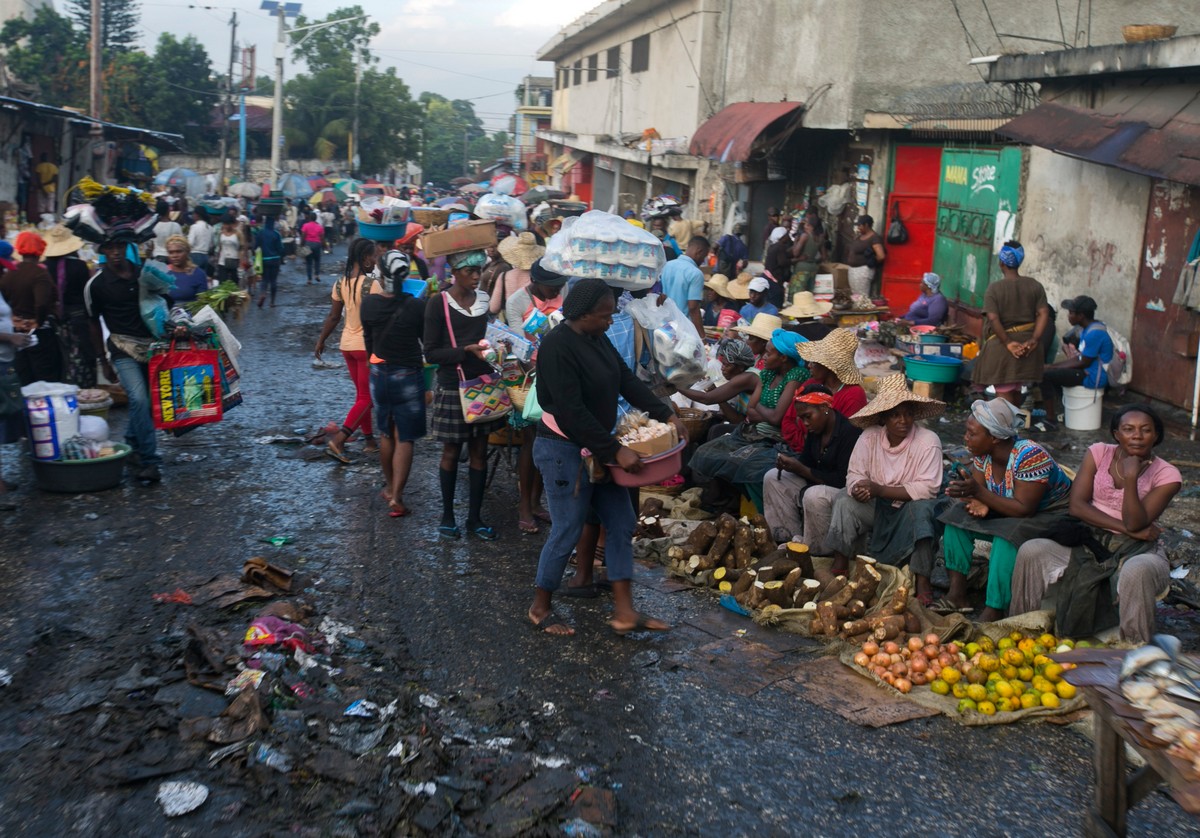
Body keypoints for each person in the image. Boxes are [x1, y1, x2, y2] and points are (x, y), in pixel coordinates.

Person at [528, 276, 685, 636]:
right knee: (568, 526)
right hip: (562, 448)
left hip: (599, 444)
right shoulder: (557, 346)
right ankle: (540, 606)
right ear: (582, 314)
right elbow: (569, 411)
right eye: (603, 316)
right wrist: (615, 449)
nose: (609, 322)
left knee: (621, 521)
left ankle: (625, 611)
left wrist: (665, 413)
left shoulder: (596, 340)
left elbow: (626, 380)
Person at [1011, 405, 1182, 643]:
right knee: (1032, 550)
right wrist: (1123, 528)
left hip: (1139, 548)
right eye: (1128, 429)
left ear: (1156, 436)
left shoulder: (1168, 475)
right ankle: (1021, 630)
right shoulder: (1099, 452)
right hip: (1090, 540)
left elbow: (1135, 522)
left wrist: (1132, 476)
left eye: (1146, 430)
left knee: (1138, 570)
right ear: (1116, 434)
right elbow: (1077, 506)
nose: (1137, 435)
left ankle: (1135, 647)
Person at [939, 398, 1072, 620]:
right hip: (1012, 510)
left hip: (1049, 514)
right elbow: (980, 490)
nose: (965, 438)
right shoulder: (983, 455)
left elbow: (1024, 510)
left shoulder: (1029, 456)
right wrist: (970, 497)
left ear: (993, 437)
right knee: (955, 519)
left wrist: (980, 495)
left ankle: (995, 607)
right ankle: (957, 594)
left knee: (1005, 536)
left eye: (972, 433)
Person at [808, 375, 944, 576]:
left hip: (909, 509)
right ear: (882, 418)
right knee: (844, 500)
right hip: (876, 507)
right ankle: (840, 564)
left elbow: (928, 488)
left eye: (908, 414)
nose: (903, 421)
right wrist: (858, 488)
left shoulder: (928, 441)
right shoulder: (869, 436)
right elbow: (855, 473)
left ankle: (922, 578)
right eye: (895, 415)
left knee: (922, 512)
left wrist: (880, 489)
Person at [79, 190, 165, 483]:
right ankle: (150, 460)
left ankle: (130, 444)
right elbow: (93, 323)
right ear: (103, 250)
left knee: (149, 403)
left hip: (153, 348)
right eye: (109, 248)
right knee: (139, 401)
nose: (115, 252)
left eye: (120, 246)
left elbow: (165, 306)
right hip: (121, 349)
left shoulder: (146, 274)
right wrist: (102, 360)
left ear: (128, 246)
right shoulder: (96, 285)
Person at [423, 249, 505, 540]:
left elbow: (494, 337)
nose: (475, 276)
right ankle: (447, 516)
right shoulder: (438, 304)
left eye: (478, 271)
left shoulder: (484, 302)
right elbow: (431, 352)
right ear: (454, 273)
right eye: (469, 271)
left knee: (480, 452)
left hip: (483, 385)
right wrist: (465, 351)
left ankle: (475, 518)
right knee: (451, 451)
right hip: (451, 386)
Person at [690, 329, 808, 512]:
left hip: (775, 439)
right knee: (708, 451)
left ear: (784, 358)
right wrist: (769, 413)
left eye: (769, 354)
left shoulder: (795, 376)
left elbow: (776, 418)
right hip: (752, 431)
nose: (764, 358)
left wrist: (765, 412)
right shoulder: (768, 375)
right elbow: (753, 412)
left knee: (743, 464)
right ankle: (726, 502)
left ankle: (751, 510)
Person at [361, 249, 427, 519]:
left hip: (378, 373)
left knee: (386, 432)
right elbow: (425, 341)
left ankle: (389, 488)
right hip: (408, 375)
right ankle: (397, 496)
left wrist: (371, 361)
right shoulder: (415, 305)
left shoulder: (369, 303)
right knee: (405, 436)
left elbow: (368, 340)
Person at [763, 385, 863, 542]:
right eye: (801, 418)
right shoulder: (816, 430)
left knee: (814, 495)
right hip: (818, 483)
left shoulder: (849, 432)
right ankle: (786, 537)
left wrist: (802, 470)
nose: (805, 423)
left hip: (843, 494)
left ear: (825, 408)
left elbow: (842, 481)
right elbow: (807, 462)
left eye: (808, 416)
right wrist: (791, 465)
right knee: (772, 477)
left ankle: (818, 549)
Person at [315, 239, 379, 463]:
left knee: (361, 397)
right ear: (364, 258)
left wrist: (321, 340)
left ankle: (370, 441)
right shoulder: (372, 285)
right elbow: (378, 319)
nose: (375, 261)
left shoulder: (340, 283)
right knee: (367, 398)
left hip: (347, 347)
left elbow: (333, 316)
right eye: (373, 257)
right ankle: (339, 440)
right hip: (365, 348)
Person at [971, 241, 1051, 406]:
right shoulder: (1035, 286)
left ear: (1001, 262)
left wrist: (1008, 342)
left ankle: (1005, 431)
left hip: (1002, 348)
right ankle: (1013, 430)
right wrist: (1034, 340)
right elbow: (1044, 313)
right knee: (1016, 390)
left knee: (1003, 395)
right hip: (1029, 348)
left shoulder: (994, 288)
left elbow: (993, 318)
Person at [781, 328, 868, 453]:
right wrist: (807, 445)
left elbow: (844, 440)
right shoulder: (811, 384)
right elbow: (788, 422)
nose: (809, 366)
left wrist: (809, 441)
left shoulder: (853, 395)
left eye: (814, 363)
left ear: (829, 366)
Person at [1039, 294, 1113, 428]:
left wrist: (1051, 367)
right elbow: (1079, 359)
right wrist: (1052, 366)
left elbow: (1083, 362)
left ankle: (1050, 420)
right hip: (1086, 371)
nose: (1069, 316)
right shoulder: (1088, 329)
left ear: (1081, 315)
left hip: (1092, 376)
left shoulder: (1094, 333)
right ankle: (1063, 411)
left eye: (1071, 313)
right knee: (1052, 374)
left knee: (1045, 376)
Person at [0, 231, 59, 385]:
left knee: (23, 378)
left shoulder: (10, 274)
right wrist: (37, 323)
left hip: (16, 333)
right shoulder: (40, 274)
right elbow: (42, 303)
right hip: (39, 335)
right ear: (40, 251)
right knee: (45, 378)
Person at [42, 225, 95, 387]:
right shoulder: (79, 266)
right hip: (77, 317)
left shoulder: (44, 267)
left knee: (58, 354)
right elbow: (86, 294)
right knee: (78, 354)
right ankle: (81, 387)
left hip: (53, 319)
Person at [676, 338, 759, 436]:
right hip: (748, 425)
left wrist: (676, 386)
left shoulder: (747, 378)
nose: (722, 368)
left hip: (757, 429)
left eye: (726, 365)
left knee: (715, 430)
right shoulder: (746, 376)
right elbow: (737, 419)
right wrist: (718, 395)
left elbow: (707, 399)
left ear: (740, 367)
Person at [658, 235, 710, 334]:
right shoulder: (696, 273)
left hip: (664, 326)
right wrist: (702, 337)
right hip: (683, 331)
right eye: (704, 256)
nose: (703, 260)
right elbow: (693, 308)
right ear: (699, 251)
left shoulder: (667, 265)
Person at [490, 231, 544, 323]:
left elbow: (493, 308)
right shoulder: (540, 277)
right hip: (535, 324)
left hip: (512, 324)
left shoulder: (504, 277)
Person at [845, 214, 885, 297]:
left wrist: (870, 262)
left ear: (866, 225)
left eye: (860, 225)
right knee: (855, 295)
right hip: (853, 270)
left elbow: (881, 256)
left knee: (862, 296)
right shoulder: (860, 236)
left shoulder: (874, 238)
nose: (858, 228)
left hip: (863, 271)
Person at [163, 235, 208, 304]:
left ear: (187, 252)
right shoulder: (163, 273)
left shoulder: (198, 274)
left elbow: (202, 302)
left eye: (179, 252)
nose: (175, 256)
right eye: (171, 252)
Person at [788, 217, 825, 297]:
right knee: (808, 294)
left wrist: (796, 240)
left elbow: (795, 253)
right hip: (813, 268)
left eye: (806, 224)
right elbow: (824, 256)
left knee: (797, 293)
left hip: (802, 267)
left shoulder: (805, 236)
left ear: (810, 226)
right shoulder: (820, 238)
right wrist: (813, 261)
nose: (804, 226)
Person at [255, 217, 284, 308]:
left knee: (264, 279)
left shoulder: (260, 233)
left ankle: (263, 294)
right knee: (273, 281)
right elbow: (281, 248)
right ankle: (272, 302)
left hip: (264, 259)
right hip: (275, 259)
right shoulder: (276, 234)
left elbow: (255, 246)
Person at [763, 226, 792, 308]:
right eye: (786, 234)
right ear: (782, 237)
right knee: (776, 303)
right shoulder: (780, 246)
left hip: (768, 276)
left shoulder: (773, 246)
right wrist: (797, 260)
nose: (788, 236)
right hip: (774, 278)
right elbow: (782, 262)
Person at [215, 215, 245, 286]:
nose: (226, 226)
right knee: (222, 283)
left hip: (234, 260)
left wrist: (241, 262)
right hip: (222, 261)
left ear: (231, 224)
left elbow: (241, 248)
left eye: (227, 224)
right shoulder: (221, 233)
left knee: (234, 283)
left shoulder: (238, 234)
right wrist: (217, 258)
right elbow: (220, 247)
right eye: (224, 224)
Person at [301, 213, 325, 284]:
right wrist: (325, 246)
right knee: (317, 260)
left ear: (309, 218)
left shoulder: (305, 226)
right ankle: (317, 275)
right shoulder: (319, 227)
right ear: (316, 218)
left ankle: (309, 279)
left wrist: (301, 245)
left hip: (308, 244)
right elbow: (322, 238)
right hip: (317, 244)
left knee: (309, 262)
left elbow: (303, 236)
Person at [187, 208, 213, 273]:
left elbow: (190, 243)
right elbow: (211, 244)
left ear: (197, 215)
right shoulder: (210, 227)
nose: (192, 216)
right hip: (205, 255)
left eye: (193, 214)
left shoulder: (194, 227)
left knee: (193, 275)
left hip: (195, 255)